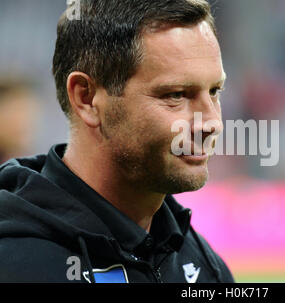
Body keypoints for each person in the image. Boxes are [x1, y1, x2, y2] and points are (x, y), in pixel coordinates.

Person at [0, 0, 234, 283]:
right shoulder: (17, 262)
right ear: (86, 98)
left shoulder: (201, 263)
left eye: (214, 91)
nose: (211, 123)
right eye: (176, 95)